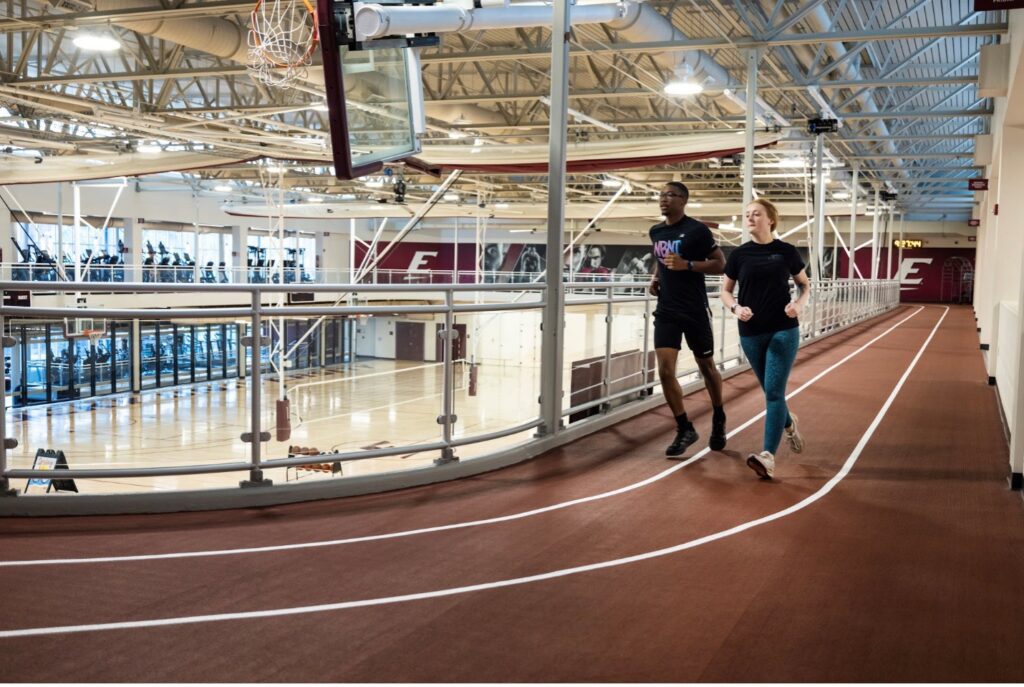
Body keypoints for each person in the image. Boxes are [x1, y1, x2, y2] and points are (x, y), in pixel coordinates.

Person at [720, 198, 809, 480]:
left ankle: (768, 457)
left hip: (783, 328)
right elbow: (725, 291)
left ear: (770, 219)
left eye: (756, 214)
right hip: (751, 332)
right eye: (746, 214)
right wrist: (736, 308)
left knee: (773, 392)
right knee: (773, 393)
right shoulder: (739, 255)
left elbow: (804, 284)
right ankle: (789, 423)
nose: (749, 218)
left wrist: (799, 304)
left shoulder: (786, 251)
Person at [649, 181, 728, 457]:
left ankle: (719, 416)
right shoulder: (656, 231)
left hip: (694, 310)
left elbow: (720, 264)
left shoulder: (697, 231)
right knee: (665, 371)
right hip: (667, 310)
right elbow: (660, 258)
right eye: (661, 194)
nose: (664, 199)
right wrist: (656, 276)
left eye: (670, 195)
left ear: (683, 200)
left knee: (706, 366)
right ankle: (685, 428)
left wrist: (688, 265)